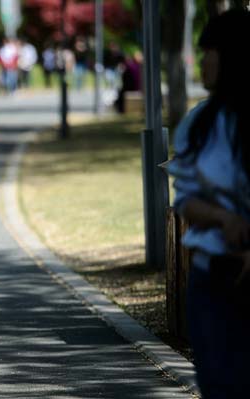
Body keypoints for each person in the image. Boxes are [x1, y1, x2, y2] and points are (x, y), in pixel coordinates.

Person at [167, 9, 250, 398]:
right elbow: (186, 201)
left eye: (209, 52)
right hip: (212, 277)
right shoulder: (199, 123)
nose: (202, 62)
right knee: (219, 384)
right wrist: (222, 218)